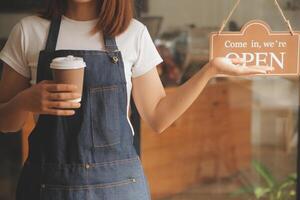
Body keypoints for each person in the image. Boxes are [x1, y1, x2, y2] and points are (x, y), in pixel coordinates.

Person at [0, 0, 273, 199]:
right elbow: (6, 123)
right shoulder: (28, 31)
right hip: (47, 185)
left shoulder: (133, 33)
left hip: (119, 185)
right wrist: (25, 101)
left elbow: (158, 116)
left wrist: (210, 70)